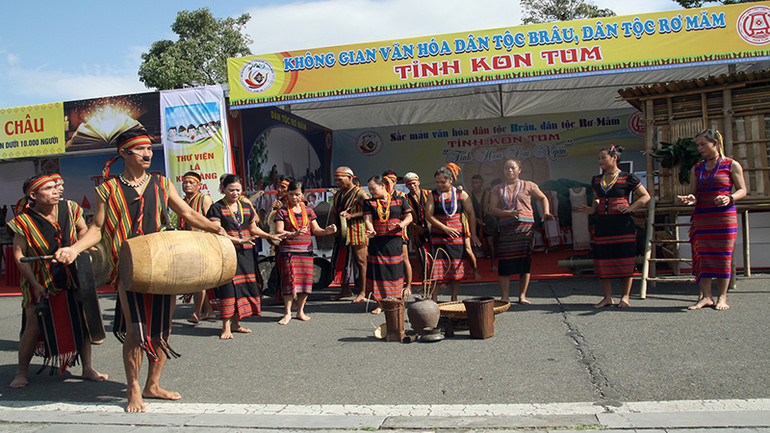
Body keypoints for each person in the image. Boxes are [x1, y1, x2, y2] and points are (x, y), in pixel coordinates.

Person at [55, 128, 225, 412]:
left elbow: (187, 213)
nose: (148, 154)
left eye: (149, 149)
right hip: (129, 266)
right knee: (136, 330)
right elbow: (97, 227)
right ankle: (133, 387)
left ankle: (152, 385)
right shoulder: (107, 189)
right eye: (141, 149)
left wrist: (215, 228)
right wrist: (74, 248)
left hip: (163, 263)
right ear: (124, 152)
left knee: (162, 330)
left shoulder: (162, 184)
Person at [9, 173, 107, 388]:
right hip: (39, 277)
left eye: (55, 187)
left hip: (73, 273)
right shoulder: (22, 222)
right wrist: (34, 284)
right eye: (48, 188)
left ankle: (87, 368)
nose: (55, 191)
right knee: (33, 326)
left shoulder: (71, 208)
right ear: (33, 195)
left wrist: (81, 245)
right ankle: (21, 372)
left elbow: (83, 229)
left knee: (82, 321)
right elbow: (19, 255)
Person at [678, 129, 747, 311]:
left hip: (724, 217)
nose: (699, 148)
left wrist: (730, 197)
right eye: (697, 145)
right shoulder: (697, 168)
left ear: (715, 143)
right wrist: (691, 198)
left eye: (703, 144)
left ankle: (722, 297)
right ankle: (706, 296)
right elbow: (695, 193)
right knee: (703, 255)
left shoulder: (731, 165)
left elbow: (742, 190)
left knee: (723, 255)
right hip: (703, 217)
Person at [208, 174, 281, 339]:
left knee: (243, 287)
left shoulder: (246, 207)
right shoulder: (216, 208)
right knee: (228, 288)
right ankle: (225, 327)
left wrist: (270, 236)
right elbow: (217, 231)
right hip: (226, 253)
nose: (235, 193)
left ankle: (236, 323)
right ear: (223, 189)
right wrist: (239, 240)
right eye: (231, 190)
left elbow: (253, 229)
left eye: (238, 190)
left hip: (245, 253)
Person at [578, 145, 650, 308]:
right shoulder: (597, 180)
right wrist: (592, 209)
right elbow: (596, 198)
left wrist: (631, 208)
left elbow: (645, 196)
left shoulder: (628, 178)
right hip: (603, 225)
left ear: (614, 158)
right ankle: (607, 297)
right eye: (599, 158)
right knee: (603, 260)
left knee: (625, 259)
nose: (600, 161)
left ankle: (625, 297)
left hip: (623, 225)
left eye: (603, 157)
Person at [487, 160, 554, 304]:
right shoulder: (497, 189)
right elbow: (492, 209)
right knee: (505, 262)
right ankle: (505, 296)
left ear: (519, 170)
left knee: (524, 261)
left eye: (512, 168)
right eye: (506, 168)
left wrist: (546, 212)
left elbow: (542, 197)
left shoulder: (529, 185)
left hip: (525, 229)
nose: (509, 171)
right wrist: (508, 213)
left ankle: (522, 296)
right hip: (507, 229)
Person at [274, 180, 336, 325]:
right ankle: (287, 312)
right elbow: (279, 231)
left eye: (297, 194)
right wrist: (293, 234)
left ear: (303, 194)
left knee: (305, 282)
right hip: (289, 251)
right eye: (291, 194)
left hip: (306, 251)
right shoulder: (282, 211)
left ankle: (300, 311)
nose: (294, 197)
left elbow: (316, 230)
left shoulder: (308, 211)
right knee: (289, 282)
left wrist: (327, 231)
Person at [425, 163, 481, 301]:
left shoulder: (461, 194)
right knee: (437, 268)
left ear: (451, 180)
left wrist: (473, 234)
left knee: (456, 267)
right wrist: (444, 228)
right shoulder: (433, 194)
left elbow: (471, 214)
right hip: (438, 236)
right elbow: (429, 215)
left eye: (443, 182)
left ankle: (454, 298)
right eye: (437, 182)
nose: (439, 185)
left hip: (456, 237)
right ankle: (434, 298)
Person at [363, 176, 413, 314]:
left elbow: (409, 216)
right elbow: (368, 220)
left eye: (373, 188)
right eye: (370, 189)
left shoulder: (400, 200)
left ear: (383, 186)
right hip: (377, 242)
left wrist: (402, 224)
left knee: (395, 271)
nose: (371, 192)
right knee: (379, 272)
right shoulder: (369, 203)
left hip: (394, 242)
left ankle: (395, 301)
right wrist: (371, 230)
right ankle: (379, 303)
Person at [179, 171, 215, 324]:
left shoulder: (204, 199)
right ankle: (208, 310)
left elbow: (212, 221)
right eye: (185, 182)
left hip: (201, 243)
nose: (187, 185)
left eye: (191, 182)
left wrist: (203, 233)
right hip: (187, 243)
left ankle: (196, 312)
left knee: (199, 279)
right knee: (196, 279)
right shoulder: (182, 201)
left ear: (199, 185)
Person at [330, 167, 370, 302]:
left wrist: (352, 215)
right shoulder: (338, 194)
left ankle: (363, 292)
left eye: (340, 180)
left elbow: (370, 211)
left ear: (350, 178)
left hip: (358, 231)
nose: (337, 183)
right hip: (342, 232)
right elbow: (335, 212)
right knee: (342, 261)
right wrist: (334, 226)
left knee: (361, 262)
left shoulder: (361, 193)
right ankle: (345, 290)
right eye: (336, 180)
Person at [382, 170, 413, 297]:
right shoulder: (379, 196)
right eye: (387, 181)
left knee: (404, 259)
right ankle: (389, 288)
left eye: (393, 181)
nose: (390, 183)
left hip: (400, 232)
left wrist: (402, 224)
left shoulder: (402, 196)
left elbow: (409, 215)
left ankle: (408, 286)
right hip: (383, 233)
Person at [404, 172, 431, 283]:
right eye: (409, 184)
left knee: (435, 254)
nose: (412, 186)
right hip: (415, 230)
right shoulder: (405, 198)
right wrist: (414, 226)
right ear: (406, 186)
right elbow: (404, 215)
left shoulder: (428, 194)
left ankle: (438, 280)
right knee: (420, 255)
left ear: (418, 182)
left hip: (431, 228)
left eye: (414, 183)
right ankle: (423, 280)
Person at [470, 174, 496, 270]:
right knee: (473, 244)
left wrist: (489, 211)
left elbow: (493, 207)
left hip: (487, 220)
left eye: (477, 183)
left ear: (481, 184)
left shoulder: (488, 194)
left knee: (490, 243)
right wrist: (475, 219)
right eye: (473, 183)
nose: (475, 185)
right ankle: (474, 267)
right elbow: (468, 211)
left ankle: (493, 264)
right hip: (474, 221)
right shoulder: (469, 195)